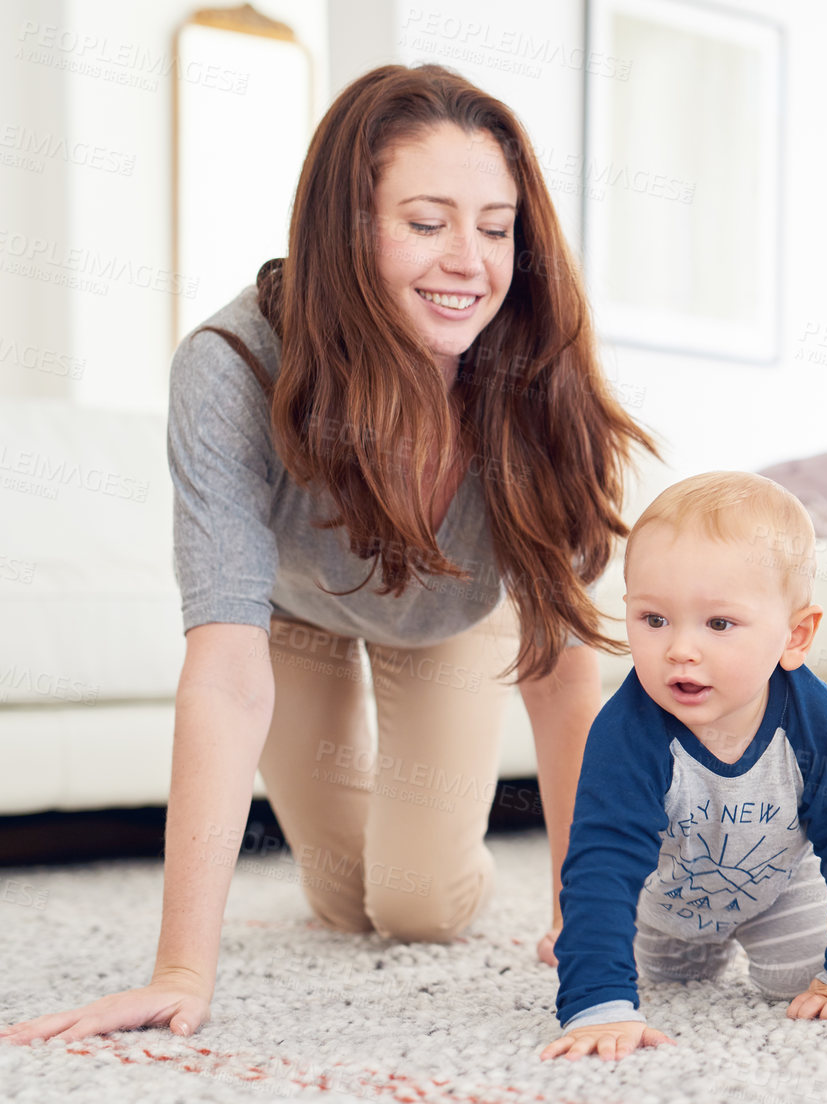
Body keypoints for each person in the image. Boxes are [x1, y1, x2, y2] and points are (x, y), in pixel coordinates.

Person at [2, 63, 656, 1045]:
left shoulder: (534, 365)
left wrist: (581, 913)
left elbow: (566, 679)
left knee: (416, 907)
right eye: (425, 222)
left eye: (494, 226)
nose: (468, 262)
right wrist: (181, 969)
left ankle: (430, 858)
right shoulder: (231, 366)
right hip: (300, 614)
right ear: (346, 227)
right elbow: (224, 673)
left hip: (452, 617)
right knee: (344, 900)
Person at [540, 472, 827, 1063]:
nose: (680, 649)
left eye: (719, 624)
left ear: (795, 635)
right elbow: (600, 865)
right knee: (668, 977)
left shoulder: (816, 723)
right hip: (665, 905)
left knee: (803, 984)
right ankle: (585, 945)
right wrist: (597, 1003)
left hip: (779, 890)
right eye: (653, 620)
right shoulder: (626, 731)